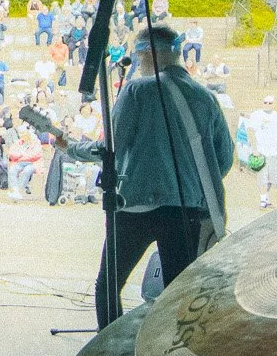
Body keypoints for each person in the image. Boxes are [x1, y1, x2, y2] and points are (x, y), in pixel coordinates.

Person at [54, 25, 233, 327]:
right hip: (185, 208)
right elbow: (224, 159)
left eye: (137, 54)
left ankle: (108, 351)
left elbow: (111, 147)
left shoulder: (137, 89)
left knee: (108, 284)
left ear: (147, 53)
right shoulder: (206, 98)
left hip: (135, 205)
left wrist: (71, 148)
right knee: (179, 291)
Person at [246, 93, 277, 208]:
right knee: (262, 176)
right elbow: (251, 131)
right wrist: (254, 149)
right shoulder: (256, 115)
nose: (267, 105)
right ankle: (262, 199)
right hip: (261, 150)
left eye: (270, 103)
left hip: (274, 151)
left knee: (272, 177)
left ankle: (268, 198)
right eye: (265, 102)